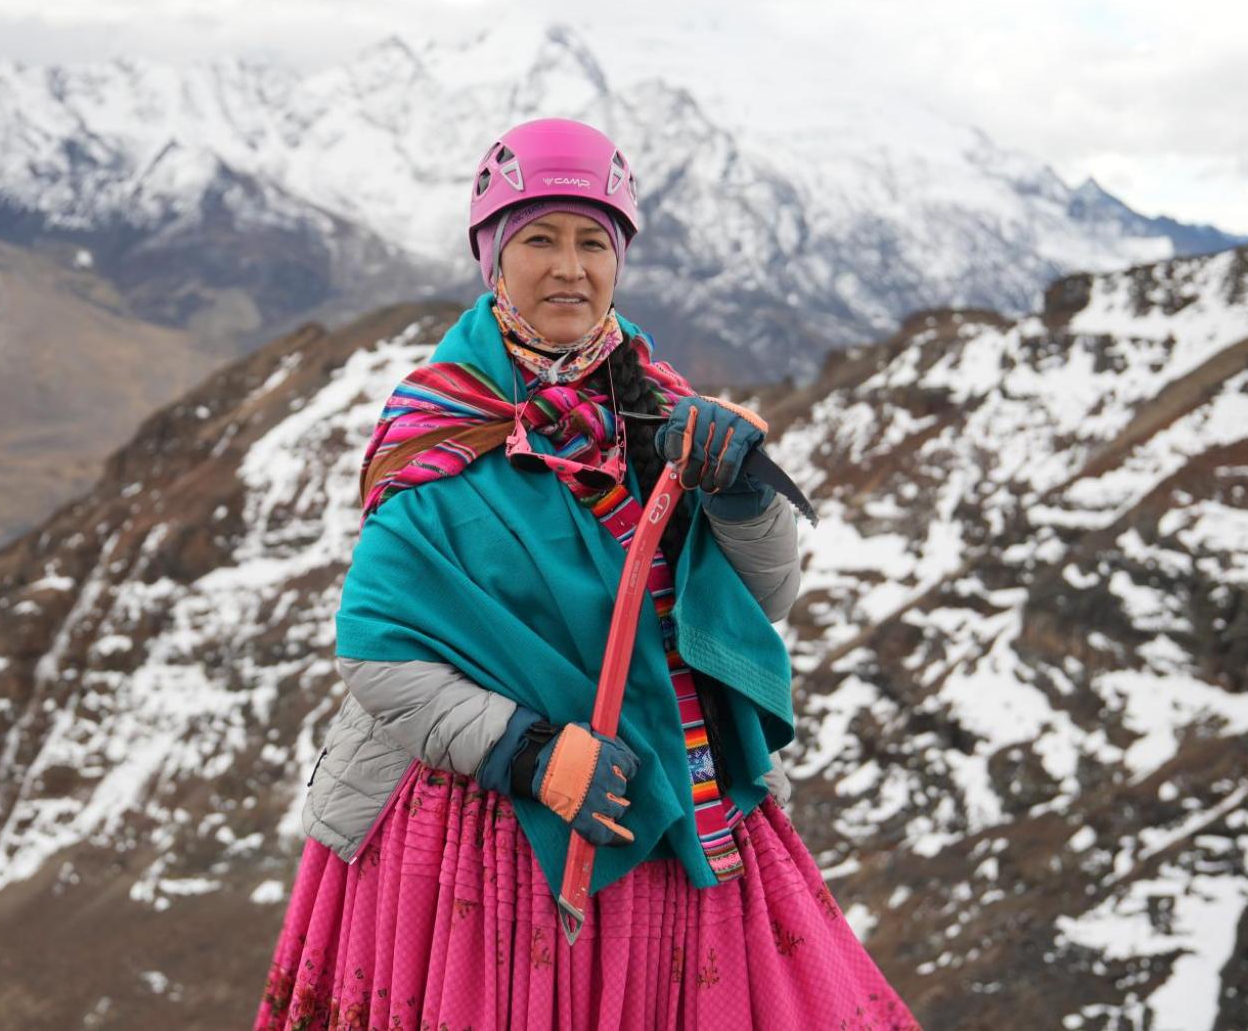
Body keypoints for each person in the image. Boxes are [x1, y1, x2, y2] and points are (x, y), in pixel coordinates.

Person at [256, 118, 916, 1029]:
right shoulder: (442, 436)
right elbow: (380, 654)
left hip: (663, 812)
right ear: (492, 257)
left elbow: (757, 604)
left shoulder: (662, 411)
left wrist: (738, 499)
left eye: (592, 241)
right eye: (537, 238)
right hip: (479, 852)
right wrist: (526, 749)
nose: (569, 267)